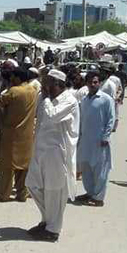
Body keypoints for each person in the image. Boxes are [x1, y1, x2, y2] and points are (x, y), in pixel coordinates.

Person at [26, 69, 79, 242]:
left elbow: (52, 116)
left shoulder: (69, 100)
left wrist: (46, 98)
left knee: (54, 190)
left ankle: (53, 229)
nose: (44, 85)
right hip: (40, 149)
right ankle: (47, 219)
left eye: (47, 82)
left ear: (57, 84)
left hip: (57, 152)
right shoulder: (45, 99)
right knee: (33, 184)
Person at [0, 68, 38, 202]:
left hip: (11, 134)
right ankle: (22, 194)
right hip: (27, 134)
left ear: (18, 78)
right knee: (23, 167)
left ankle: (4, 194)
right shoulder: (33, 91)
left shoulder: (14, 91)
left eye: (13, 77)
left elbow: (0, 102)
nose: (11, 79)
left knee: (7, 167)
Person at [76, 71, 116, 207]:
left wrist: (106, 136)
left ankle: (99, 198)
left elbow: (111, 119)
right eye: (90, 82)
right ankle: (90, 192)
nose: (93, 85)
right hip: (85, 140)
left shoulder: (106, 99)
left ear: (99, 83)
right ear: (86, 83)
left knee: (100, 171)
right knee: (86, 168)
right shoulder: (84, 100)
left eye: (95, 82)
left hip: (100, 141)